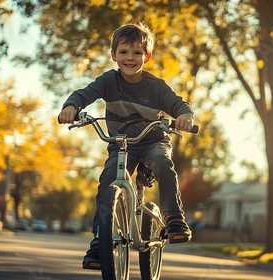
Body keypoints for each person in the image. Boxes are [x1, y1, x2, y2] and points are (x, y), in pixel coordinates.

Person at [58, 22, 194, 270]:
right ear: (113, 55)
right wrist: (71, 107)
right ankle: (100, 241)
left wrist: (184, 116)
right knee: (109, 178)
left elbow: (179, 105)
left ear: (147, 56)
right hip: (121, 145)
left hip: (152, 141)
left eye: (137, 52)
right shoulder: (109, 81)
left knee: (163, 163)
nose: (130, 58)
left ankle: (174, 218)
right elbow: (84, 93)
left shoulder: (156, 87)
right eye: (123, 52)